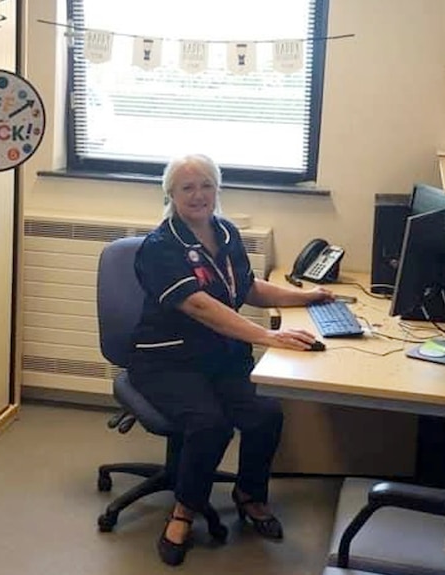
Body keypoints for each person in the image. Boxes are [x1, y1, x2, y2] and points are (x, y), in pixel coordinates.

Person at [129, 153, 335, 566]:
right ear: (170, 193)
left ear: (217, 189)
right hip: (167, 360)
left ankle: (250, 495)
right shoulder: (161, 247)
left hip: (219, 357)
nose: (198, 194)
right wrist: (267, 334)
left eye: (206, 185)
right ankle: (184, 511)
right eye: (187, 187)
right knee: (210, 424)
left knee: (266, 413)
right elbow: (201, 306)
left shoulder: (225, 233)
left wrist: (306, 296)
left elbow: (247, 286)